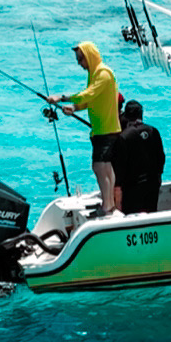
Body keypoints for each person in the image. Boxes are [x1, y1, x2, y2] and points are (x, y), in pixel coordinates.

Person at [46, 41, 123, 214]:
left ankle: (107, 206)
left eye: (81, 59)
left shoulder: (103, 73)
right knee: (105, 167)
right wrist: (74, 108)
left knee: (99, 167)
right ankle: (108, 203)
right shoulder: (94, 74)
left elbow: (87, 94)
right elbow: (90, 100)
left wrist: (62, 98)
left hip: (106, 129)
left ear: (89, 56)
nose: (79, 63)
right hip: (101, 129)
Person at [110, 100, 167, 214]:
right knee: (151, 215)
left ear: (126, 116)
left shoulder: (124, 137)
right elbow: (161, 157)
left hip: (132, 188)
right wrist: (158, 177)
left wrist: (118, 189)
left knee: (132, 218)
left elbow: (120, 166)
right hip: (152, 184)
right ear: (141, 114)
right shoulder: (153, 131)